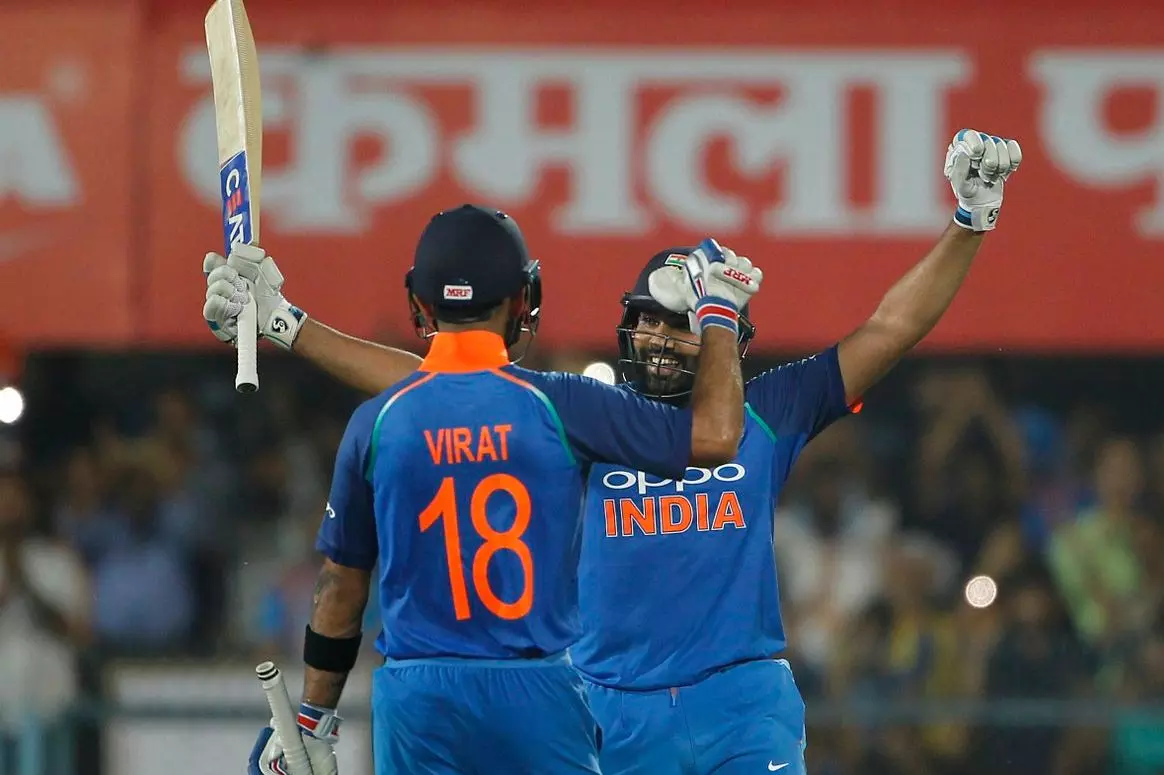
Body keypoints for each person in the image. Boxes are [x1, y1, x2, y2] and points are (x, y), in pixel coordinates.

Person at [209, 130, 1021, 774]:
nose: (662, 339)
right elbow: (436, 384)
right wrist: (290, 327)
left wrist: (970, 220)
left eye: (684, 324)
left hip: (742, 701)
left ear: (729, 335)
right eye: (649, 321)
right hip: (603, 707)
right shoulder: (591, 414)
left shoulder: (771, 409)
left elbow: (889, 329)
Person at [232, 204, 761, 775]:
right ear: (522, 299)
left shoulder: (377, 421)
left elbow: (339, 589)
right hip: (537, 693)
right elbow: (716, 436)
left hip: (418, 699)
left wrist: (313, 719)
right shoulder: (564, 404)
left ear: (420, 305)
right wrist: (718, 313)